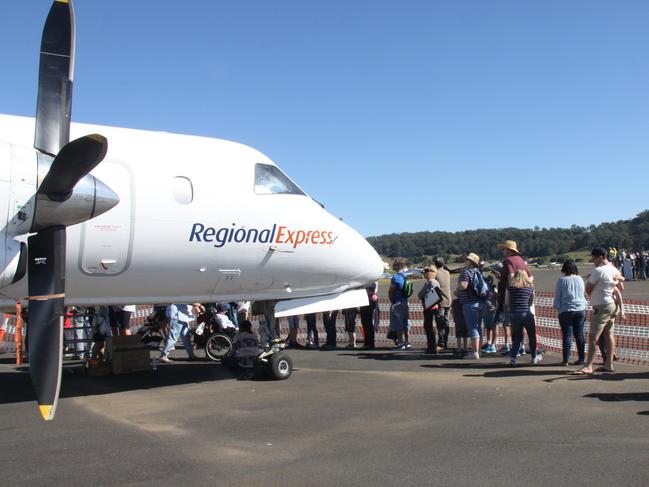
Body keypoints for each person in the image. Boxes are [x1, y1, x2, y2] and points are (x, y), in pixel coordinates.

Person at [573, 248, 624, 374]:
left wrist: (595, 297)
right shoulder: (613, 269)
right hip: (611, 304)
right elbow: (621, 287)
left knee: (592, 337)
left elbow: (588, 289)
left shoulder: (598, 270)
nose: (593, 260)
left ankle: (588, 366)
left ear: (600, 257)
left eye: (594, 257)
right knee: (609, 334)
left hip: (601, 305)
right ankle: (609, 364)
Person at [495, 240, 532, 355]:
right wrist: (524, 287)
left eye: (504, 249)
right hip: (523, 298)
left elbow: (511, 277)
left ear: (509, 250)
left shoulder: (508, 261)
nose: (503, 251)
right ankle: (521, 347)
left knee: (510, 324)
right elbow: (531, 278)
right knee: (521, 325)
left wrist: (511, 290)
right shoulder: (521, 261)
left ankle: (515, 349)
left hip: (510, 298)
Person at [553, 259, 586, 366]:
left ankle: (566, 359)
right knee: (579, 335)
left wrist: (558, 309)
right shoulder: (580, 279)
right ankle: (581, 358)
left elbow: (558, 297)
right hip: (580, 309)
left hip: (566, 310)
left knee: (567, 336)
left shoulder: (562, 280)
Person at [507, 270, 542, 366]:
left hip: (514, 314)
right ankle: (534, 356)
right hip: (526, 313)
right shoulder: (530, 288)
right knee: (531, 336)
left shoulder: (510, 288)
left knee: (517, 337)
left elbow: (507, 302)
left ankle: (513, 358)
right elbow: (530, 302)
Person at [457, 252, 485, 359]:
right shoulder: (477, 272)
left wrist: (458, 288)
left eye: (466, 260)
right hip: (480, 302)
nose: (465, 261)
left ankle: (474, 353)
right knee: (478, 327)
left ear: (470, 262)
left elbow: (464, 286)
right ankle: (479, 351)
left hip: (469, 303)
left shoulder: (466, 272)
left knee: (472, 328)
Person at [418, 267, 447, 354]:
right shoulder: (436, 282)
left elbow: (421, 294)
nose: (425, 273)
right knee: (433, 326)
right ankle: (434, 345)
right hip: (434, 306)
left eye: (426, 271)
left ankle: (431, 347)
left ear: (431, 272)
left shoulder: (430, 282)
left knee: (428, 327)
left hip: (429, 307)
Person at [388, 258, 411, 349]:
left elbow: (391, 291)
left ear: (399, 266)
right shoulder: (405, 276)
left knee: (398, 323)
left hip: (397, 302)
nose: (393, 266)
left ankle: (400, 342)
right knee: (406, 323)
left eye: (394, 265)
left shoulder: (395, 277)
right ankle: (407, 341)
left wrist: (392, 300)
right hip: (405, 302)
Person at [433, 258, 452, 349]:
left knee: (440, 322)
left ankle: (441, 342)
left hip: (440, 301)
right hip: (448, 300)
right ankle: (446, 341)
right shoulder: (447, 273)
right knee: (446, 321)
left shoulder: (435, 273)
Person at [359, 282, 378, 350]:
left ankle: (369, 343)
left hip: (368, 300)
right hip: (366, 300)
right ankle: (368, 343)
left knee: (367, 323)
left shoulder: (371, 280)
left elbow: (370, 289)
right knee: (366, 323)